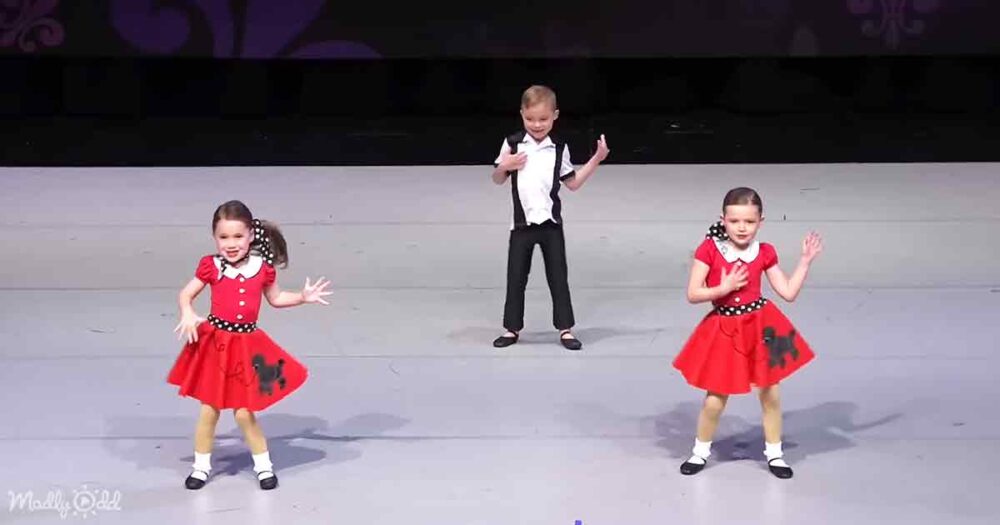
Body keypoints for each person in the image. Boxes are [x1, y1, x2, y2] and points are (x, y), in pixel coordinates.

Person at [168, 200, 332, 490]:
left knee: (244, 413)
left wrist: (302, 297)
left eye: (237, 236)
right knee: (209, 409)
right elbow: (186, 294)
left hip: (245, 347)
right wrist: (187, 312)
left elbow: (276, 298)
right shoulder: (211, 266)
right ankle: (201, 467)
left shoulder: (263, 269)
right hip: (216, 345)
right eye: (223, 237)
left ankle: (264, 466)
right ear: (214, 237)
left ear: (251, 235)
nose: (231, 244)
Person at [673, 187, 822, 478]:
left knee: (771, 394)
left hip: (760, 326)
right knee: (716, 398)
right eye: (735, 221)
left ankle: (775, 454)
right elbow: (693, 293)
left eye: (749, 222)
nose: (742, 228)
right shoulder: (709, 250)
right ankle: (700, 451)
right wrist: (724, 288)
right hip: (725, 329)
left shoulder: (764, 252)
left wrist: (804, 262)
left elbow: (788, 292)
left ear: (760, 222)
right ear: (723, 220)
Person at [490, 84, 609, 351]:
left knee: (558, 277)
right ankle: (511, 328)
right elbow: (498, 178)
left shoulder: (559, 148)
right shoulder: (512, 143)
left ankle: (565, 329)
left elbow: (573, 183)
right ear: (522, 114)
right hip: (521, 225)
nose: (537, 124)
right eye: (530, 118)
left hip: (551, 225)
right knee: (516, 277)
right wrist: (504, 166)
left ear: (555, 116)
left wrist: (596, 159)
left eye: (543, 119)